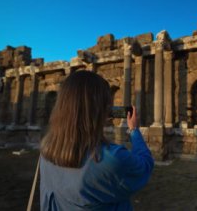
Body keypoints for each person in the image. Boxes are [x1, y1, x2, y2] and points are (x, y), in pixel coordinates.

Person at [40, 70, 154, 211]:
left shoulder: (46, 150)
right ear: (101, 110)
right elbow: (145, 166)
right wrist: (134, 131)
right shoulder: (112, 158)